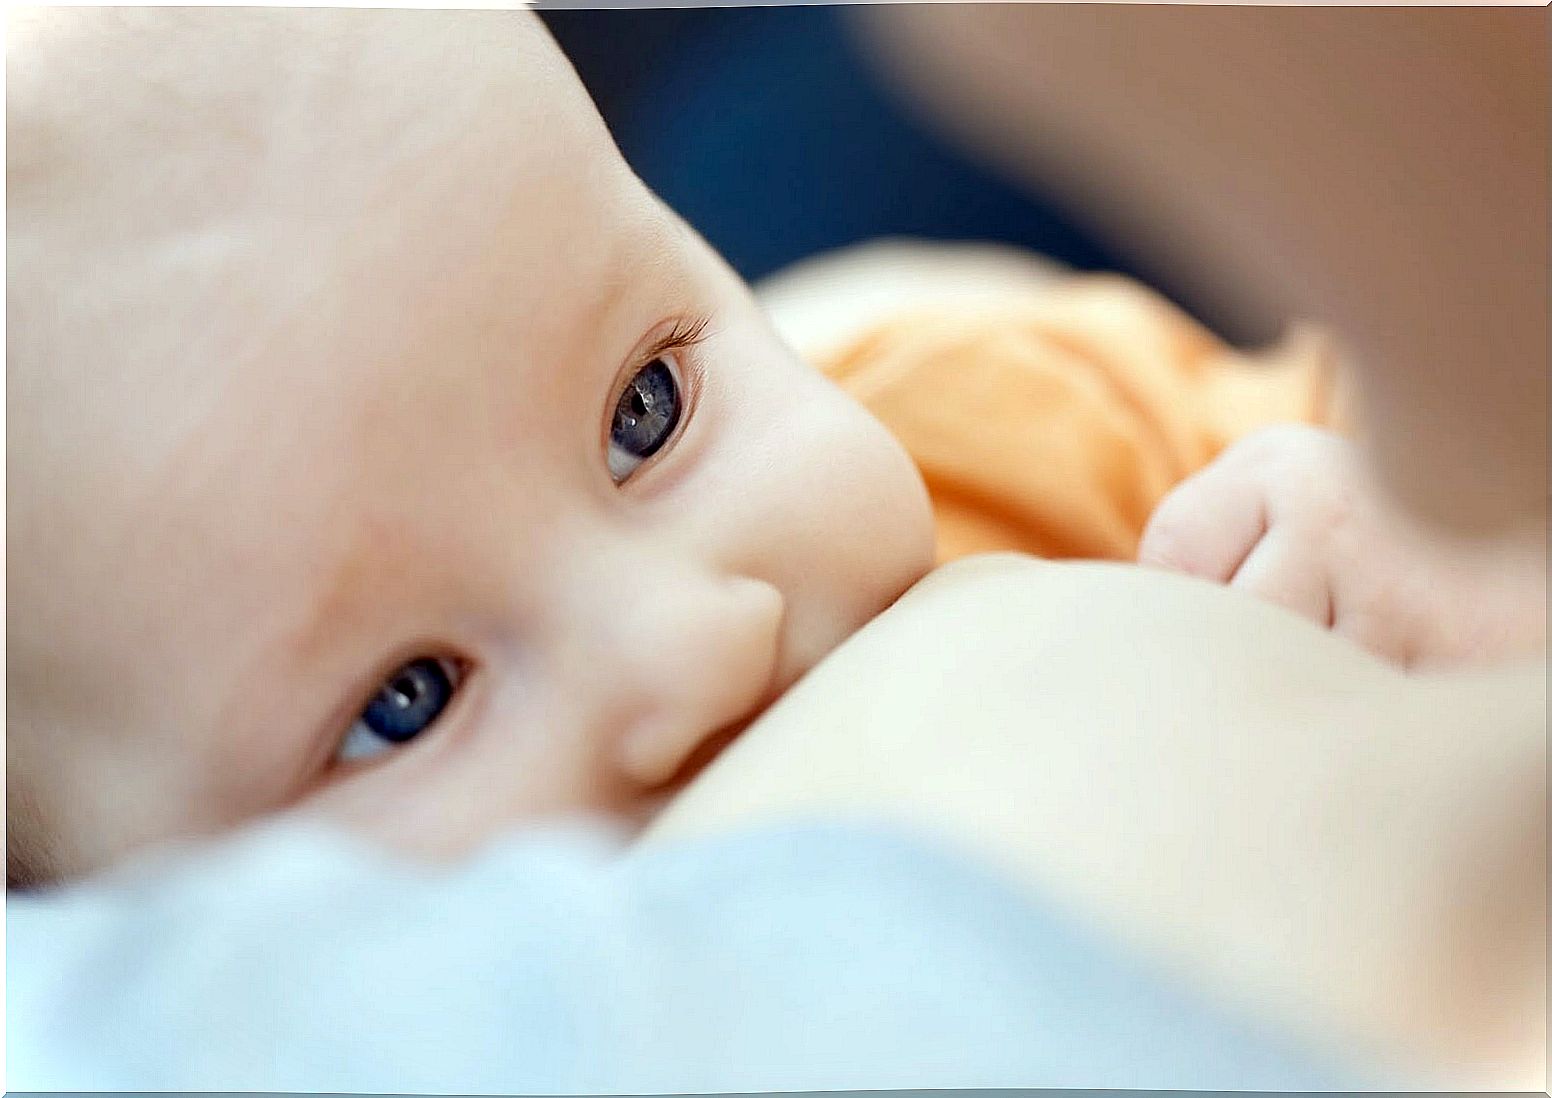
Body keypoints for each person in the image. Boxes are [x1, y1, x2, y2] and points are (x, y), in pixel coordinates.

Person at [6, 6, 1542, 1091]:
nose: (701, 637)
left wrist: (1392, 528)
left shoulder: (991, 408)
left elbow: (1461, 449)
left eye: (645, 411)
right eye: (408, 695)